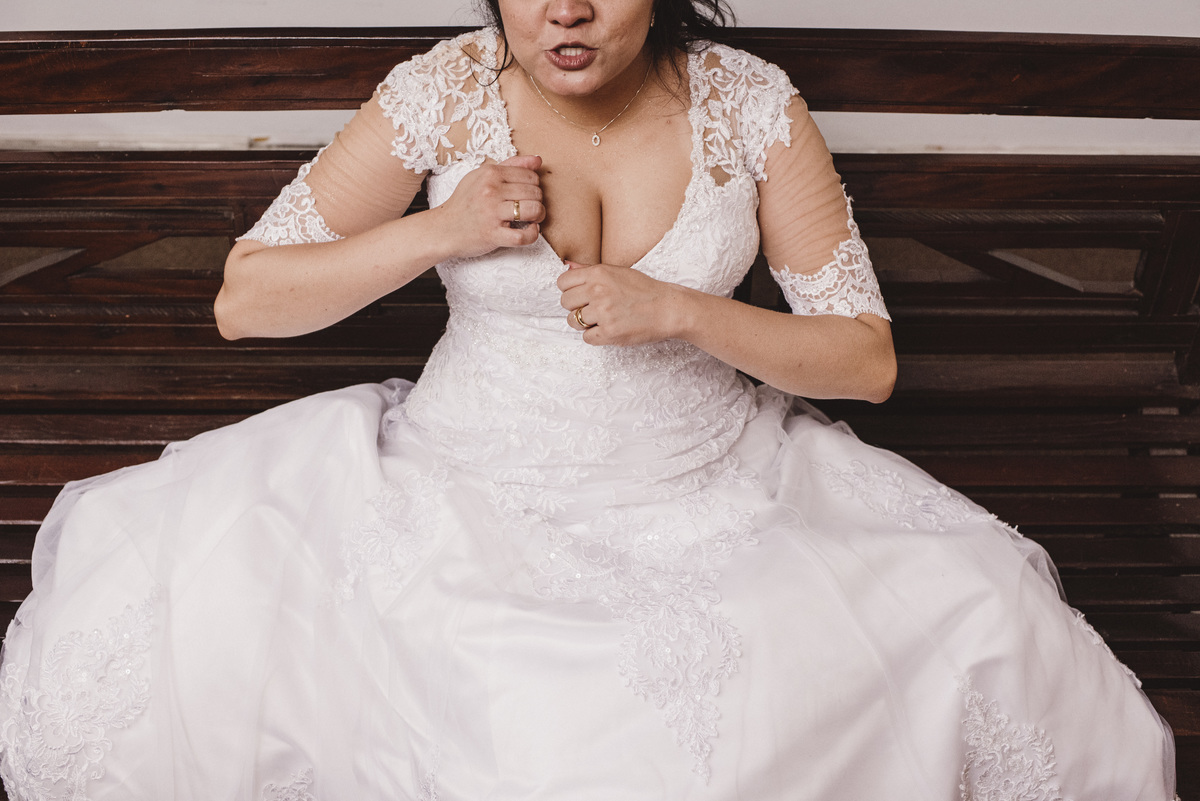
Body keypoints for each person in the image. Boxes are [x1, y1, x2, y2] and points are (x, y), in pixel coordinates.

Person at [0, 0, 1177, 798]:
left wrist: (686, 313)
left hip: (713, 496)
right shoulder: (443, 91)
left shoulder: (750, 104)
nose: (565, 12)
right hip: (460, 491)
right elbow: (248, 300)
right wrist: (443, 229)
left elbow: (864, 361)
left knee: (959, 629)